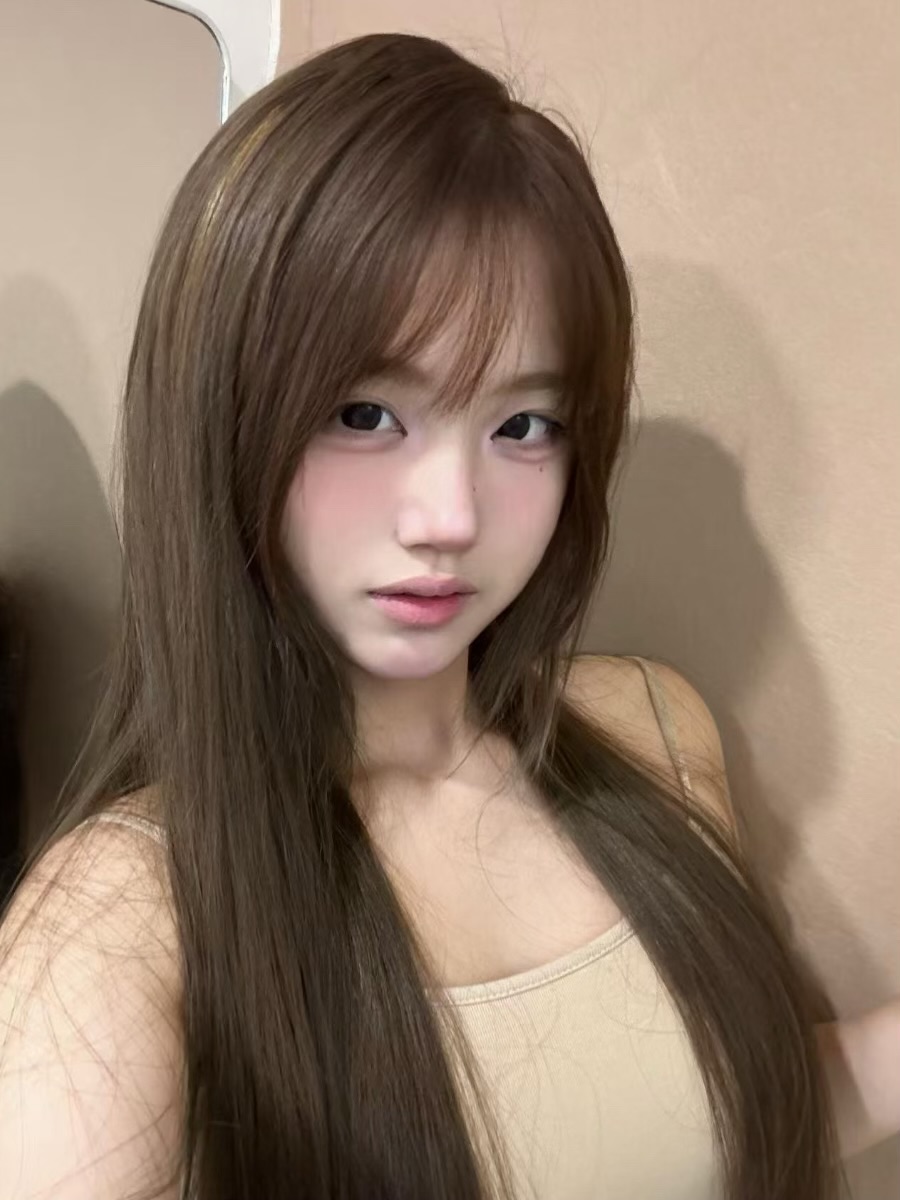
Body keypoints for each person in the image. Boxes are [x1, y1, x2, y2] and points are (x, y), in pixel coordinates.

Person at [1, 31, 896, 1200]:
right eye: (365, 414)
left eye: (523, 426)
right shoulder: (110, 930)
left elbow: (706, 1129)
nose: (451, 517)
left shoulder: (653, 730)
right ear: (219, 410)